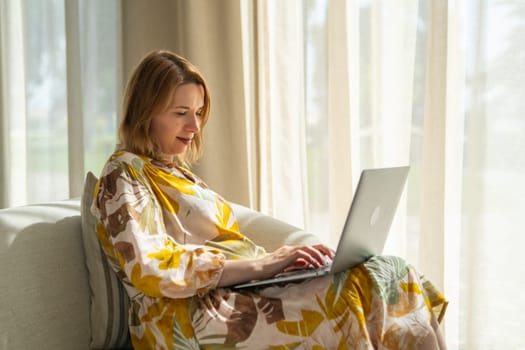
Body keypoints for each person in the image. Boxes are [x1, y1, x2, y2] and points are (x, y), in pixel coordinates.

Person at [91, 50, 447, 349]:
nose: (195, 127)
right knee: (355, 289)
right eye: (181, 113)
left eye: (198, 113)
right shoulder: (123, 172)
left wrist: (279, 267)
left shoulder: (178, 174)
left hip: (240, 292)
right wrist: (263, 266)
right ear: (145, 111)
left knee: (389, 271)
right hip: (191, 314)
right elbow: (150, 268)